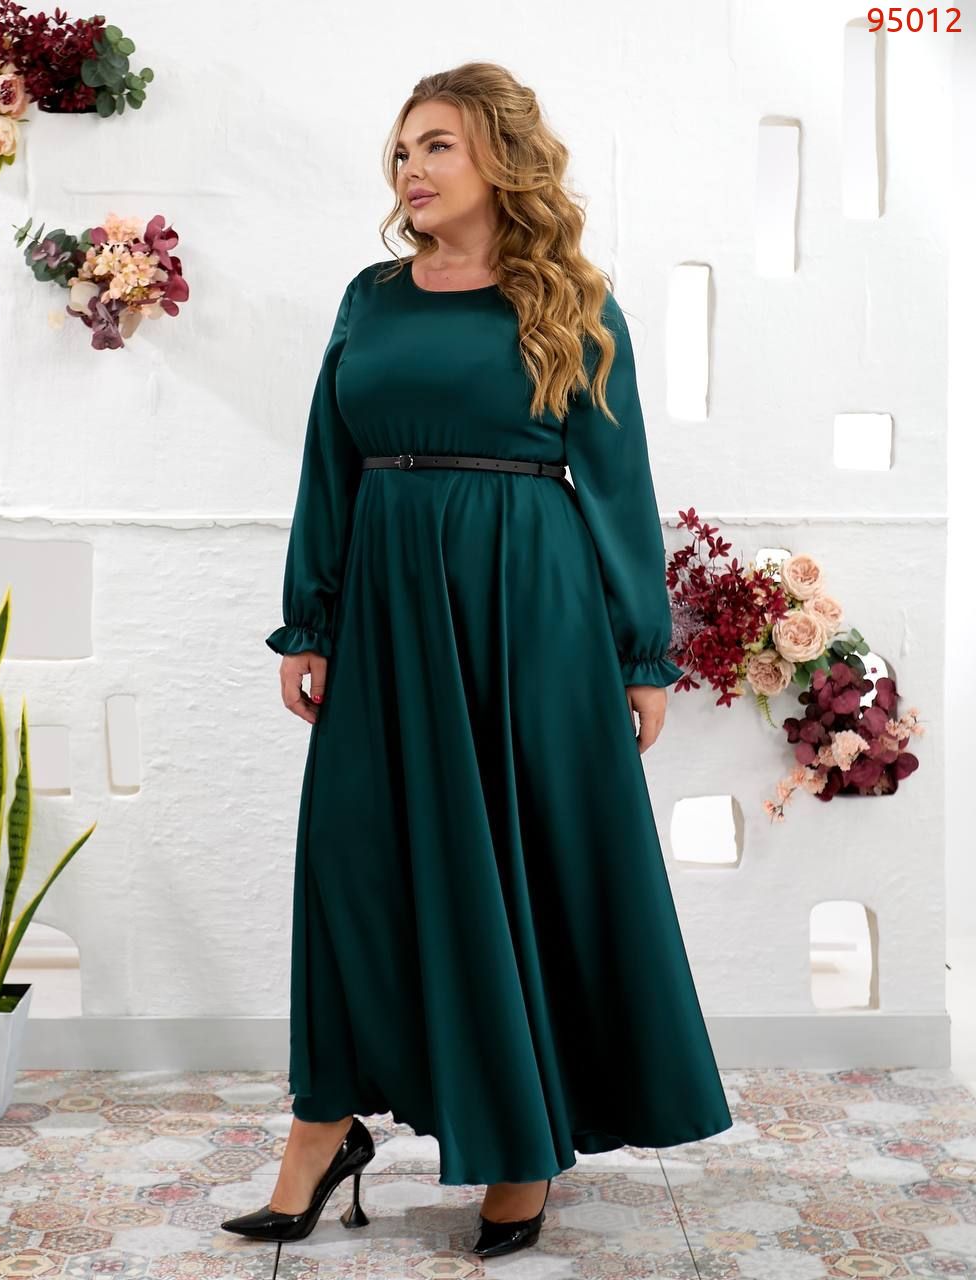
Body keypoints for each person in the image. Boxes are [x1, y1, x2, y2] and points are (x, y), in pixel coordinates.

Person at [222, 60, 732, 1261]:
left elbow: (618, 482)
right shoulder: (370, 296)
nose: (411, 168)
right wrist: (310, 621)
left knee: (519, 863)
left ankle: (517, 1145)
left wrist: (641, 652)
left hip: (526, 605)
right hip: (385, 605)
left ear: (499, 156)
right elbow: (326, 462)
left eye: (437, 144)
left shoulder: (570, 301)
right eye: (403, 150)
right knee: (355, 861)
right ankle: (322, 1123)